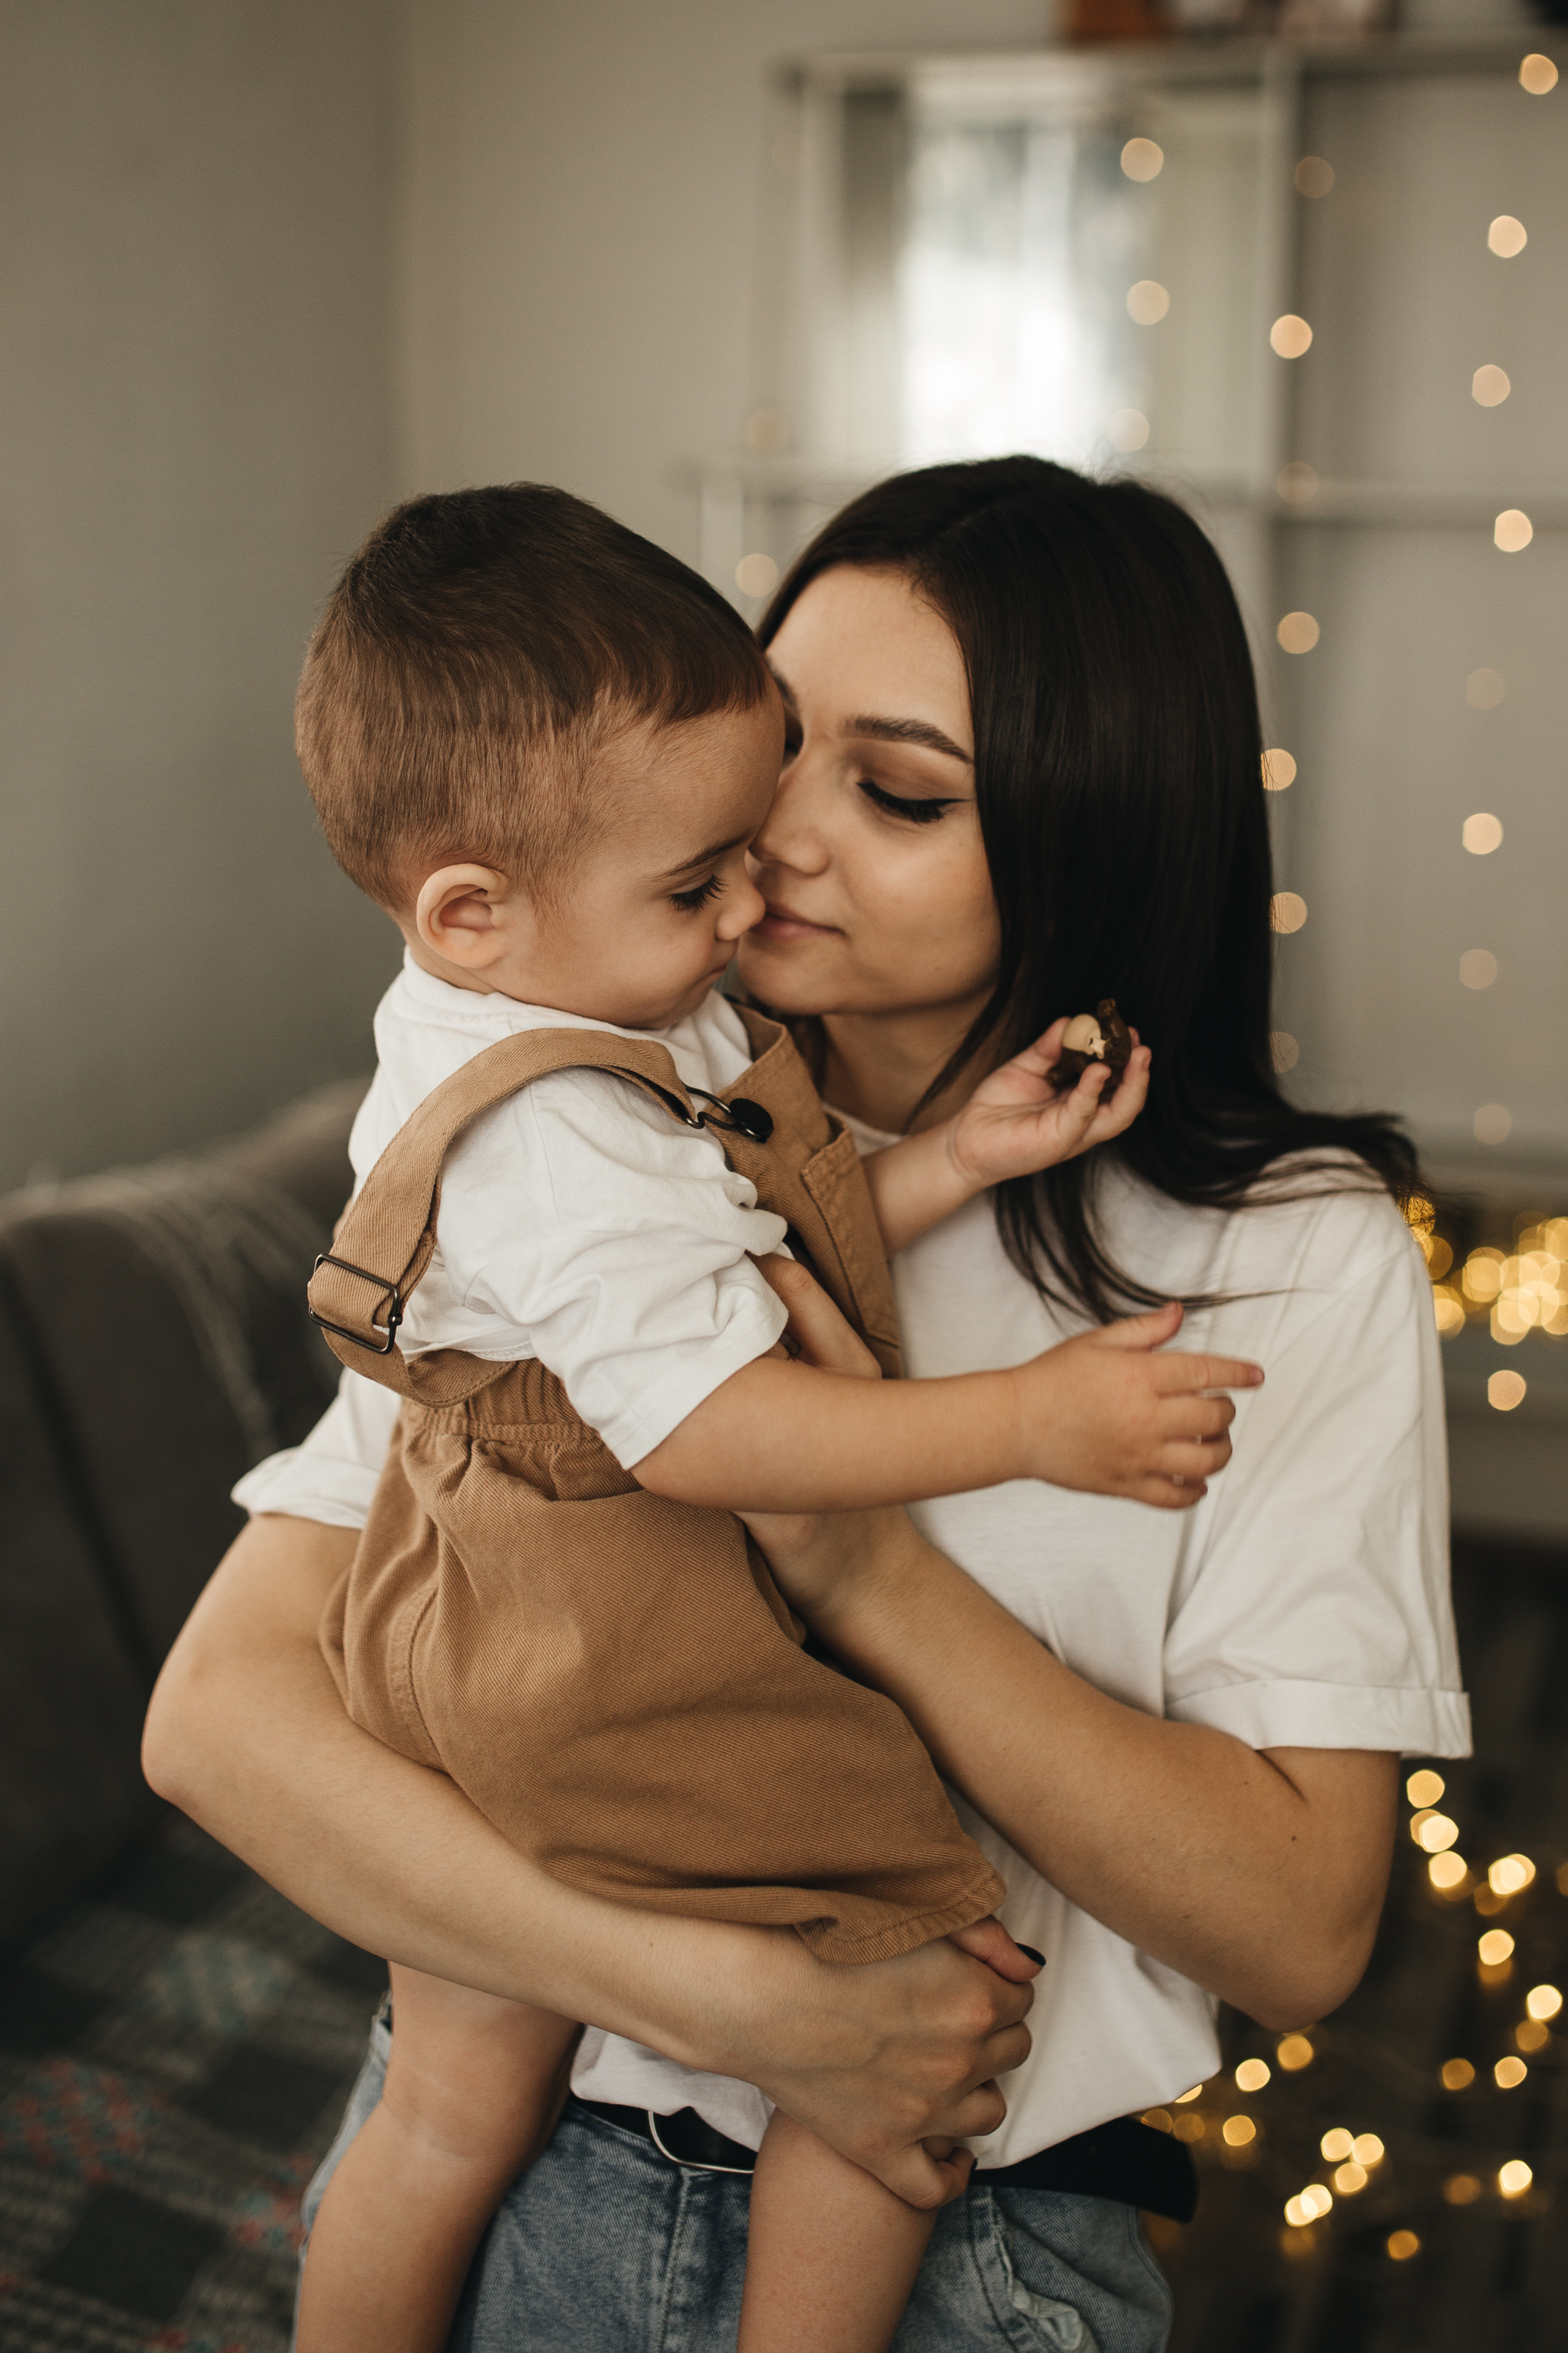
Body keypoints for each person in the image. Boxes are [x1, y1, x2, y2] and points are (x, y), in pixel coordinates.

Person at [145, 456, 1470, 2353]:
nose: (777, 843)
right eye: (776, 758)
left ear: (1094, 828)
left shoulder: (1283, 1253)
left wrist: (863, 1565)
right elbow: (221, 1720)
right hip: (531, 2163)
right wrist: (733, 2003)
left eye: (901, 791)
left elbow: (1303, 1927)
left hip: (965, 2235)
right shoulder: (609, 1129)